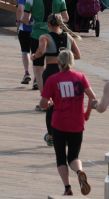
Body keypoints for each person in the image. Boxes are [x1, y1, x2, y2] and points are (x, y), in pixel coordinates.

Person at [39, 48, 96, 197]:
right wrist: (87, 114)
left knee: (60, 157)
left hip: (59, 123)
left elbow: (43, 103)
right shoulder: (81, 77)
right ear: (72, 62)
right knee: (74, 157)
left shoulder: (53, 80)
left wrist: (50, 103)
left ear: (58, 63)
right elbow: (93, 98)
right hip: (77, 123)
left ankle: (68, 188)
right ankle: (79, 171)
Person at [33, 14, 82, 147]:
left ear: (48, 25)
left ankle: (51, 136)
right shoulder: (69, 37)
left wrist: (34, 56)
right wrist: (66, 55)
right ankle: (67, 132)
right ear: (60, 24)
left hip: (51, 71)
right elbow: (78, 55)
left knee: (51, 104)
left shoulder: (45, 37)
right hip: (66, 71)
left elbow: (41, 51)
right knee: (66, 102)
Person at [24, 0, 69, 92]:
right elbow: (66, 18)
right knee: (55, 66)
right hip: (55, 35)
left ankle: (44, 97)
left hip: (37, 35)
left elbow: (25, 19)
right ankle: (56, 93)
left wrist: (32, 21)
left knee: (39, 68)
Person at [16, 0, 38, 86]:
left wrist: (18, 20)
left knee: (25, 50)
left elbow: (20, 9)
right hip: (37, 29)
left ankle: (27, 72)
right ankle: (36, 78)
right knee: (35, 53)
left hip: (24, 28)